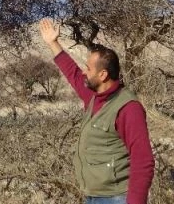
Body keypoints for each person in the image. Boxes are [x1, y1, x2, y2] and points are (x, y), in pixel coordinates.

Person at [39, 18, 154, 204]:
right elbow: (73, 73)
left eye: (88, 68)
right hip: (93, 195)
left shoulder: (128, 108)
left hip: (117, 197)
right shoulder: (94, 96)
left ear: (103, 74)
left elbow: (143, 160)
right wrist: (53, 43)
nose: (84, 72)